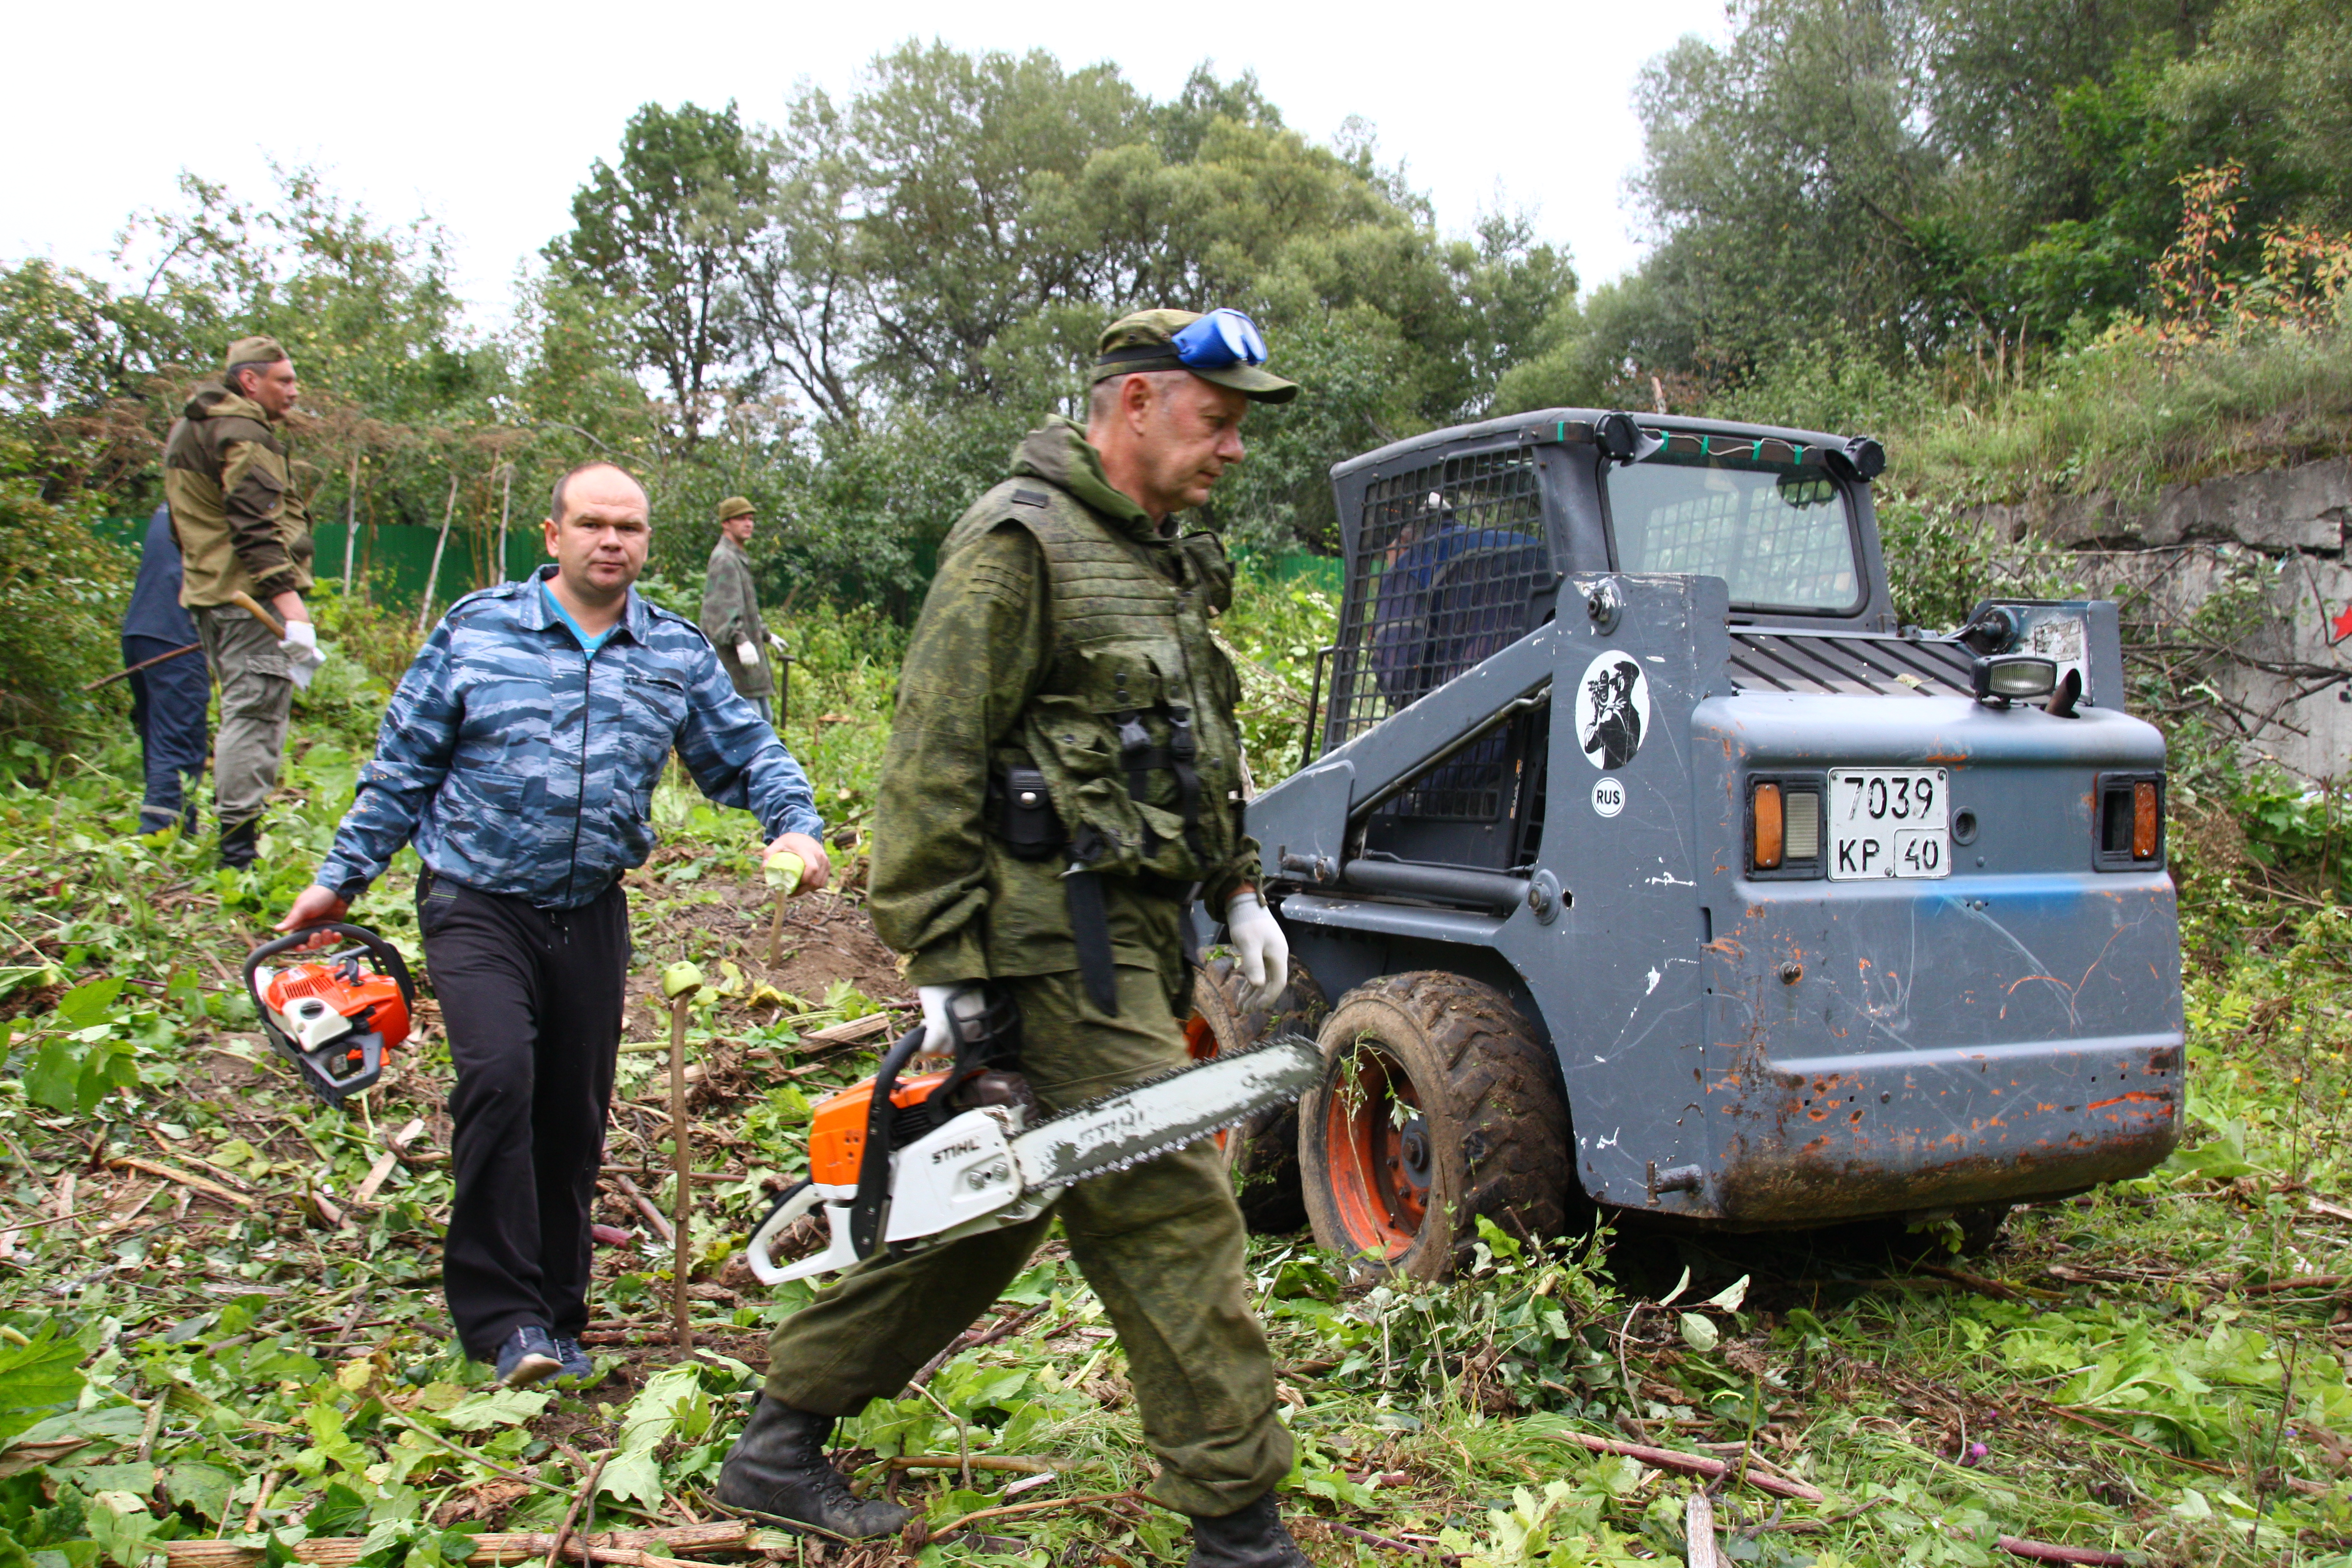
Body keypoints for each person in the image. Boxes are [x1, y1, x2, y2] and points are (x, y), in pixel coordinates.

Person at [718, 309, 1309, 1568]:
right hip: (1053, 947)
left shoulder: (1161, 553)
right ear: (1136, 402)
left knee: (990, 1195)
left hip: (1143, 930)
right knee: (1169, 1207)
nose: (1234, 450)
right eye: (1217, 421)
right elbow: (927, 761)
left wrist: (1238, 888)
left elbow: (1198, 740)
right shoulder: (1015, 542)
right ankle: (1239, 1532)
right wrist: (941, 965)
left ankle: (777, 1438)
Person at [274, 462, 831, 1389]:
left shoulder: (673, 651)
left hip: (588, 909)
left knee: (572, 1112)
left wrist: (796, 822)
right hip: (475, 899)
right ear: (553, 534)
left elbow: (745, 748)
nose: (611, 541)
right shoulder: (476, 630)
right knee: (499, 1080)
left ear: (647, 542)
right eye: (592, 524)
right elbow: (403, 762)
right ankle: (502, 1320)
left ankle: (559, 1313)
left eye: (630, 528)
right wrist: (342, 878)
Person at [162, 336, 318, 869]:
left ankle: (232, 837)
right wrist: (289, 603)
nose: (294, 392)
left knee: (239, 707)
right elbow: (255, 523)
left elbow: (185, 524)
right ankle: (237, 856)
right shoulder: (245, 431)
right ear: (249, 381)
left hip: (212, 590)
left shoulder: (192, 427)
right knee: (254, 711)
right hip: (251, 598)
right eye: (285, 381)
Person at [121, 505, 209, 836]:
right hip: (176, 635)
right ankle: (161, 834)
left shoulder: (169, 506)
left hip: (140, 632)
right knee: (178, 740)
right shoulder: (208, 508)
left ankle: (177, 825)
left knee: (159, 739)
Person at [699, 496, 774, 721]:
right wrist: (740, 639)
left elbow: (745, 606)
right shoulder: (724, 559)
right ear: (726, 523)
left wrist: (765, 634)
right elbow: (720, 613)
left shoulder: (737, 557)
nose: (748, 524)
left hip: (749, 667)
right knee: (750, 725)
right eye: (741, 519)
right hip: (733, 663)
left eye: (750, 519)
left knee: (765, 718)